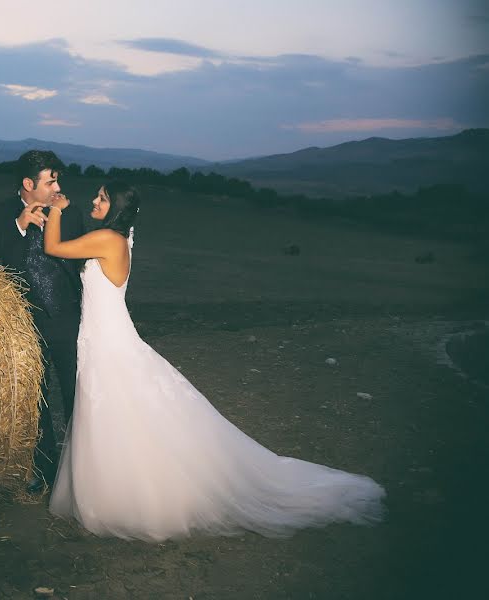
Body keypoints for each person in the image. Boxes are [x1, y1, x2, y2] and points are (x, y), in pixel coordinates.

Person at [42, 181, 385, 541]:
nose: (94, 200)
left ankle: (124, 500)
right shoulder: (116, 237)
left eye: (102, 197)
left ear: (116, 206)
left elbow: (54, 247)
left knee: (114, 408)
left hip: (107, 339)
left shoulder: (108, 240)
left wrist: (56, 209)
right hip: (103, 335)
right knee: (121, 410)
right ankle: (117, 492)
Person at [0, 150, 85, 493]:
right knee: (38, 403)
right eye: (51, 181)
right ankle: (47, 474)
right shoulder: (1, 214)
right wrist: (19, 226)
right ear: (27, 184)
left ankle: (83, 473)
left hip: (67, 320)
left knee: (77, 397)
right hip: (26, 324)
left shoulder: (71, 212)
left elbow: (79, 259)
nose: (57, 187)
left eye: (57, 180)